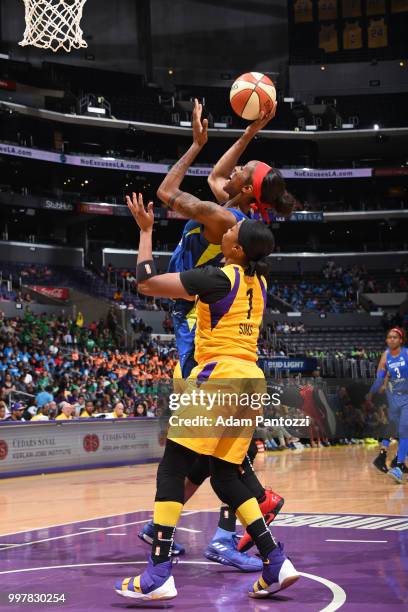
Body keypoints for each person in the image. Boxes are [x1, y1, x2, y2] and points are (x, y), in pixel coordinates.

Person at [114, 193, 299, 602]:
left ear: (235, 248)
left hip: (219, 380)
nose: (226, 226)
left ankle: (159, 572)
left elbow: (146, 283)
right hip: (251, 381)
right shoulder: (259, 281)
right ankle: (275, 559)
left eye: (231, 229)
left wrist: (146, 232)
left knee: (172, 467)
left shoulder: (218, 277)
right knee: (226, 475)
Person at [138, 100, 287, 570]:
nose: (237, 165)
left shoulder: (223, 221)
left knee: (208, 449)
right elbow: (221, 173)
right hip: (209, 331)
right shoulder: (233, 215)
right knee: (220, 450)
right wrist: (248, 132)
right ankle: (248, 518)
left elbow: (169, 189)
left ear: (244, 188)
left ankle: (225, 529)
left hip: (200, 332)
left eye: (245, 168)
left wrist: (197, 145)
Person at [369, 327, 408, 483]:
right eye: (389, 337)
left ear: (401, 340)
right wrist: (370, 393)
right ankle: (397, 464)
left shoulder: (406, 353)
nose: (391, 339)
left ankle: (396, 463)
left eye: (395, 337)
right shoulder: (385, 356)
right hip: (394, 397)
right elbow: (380, 377)